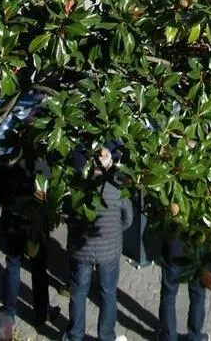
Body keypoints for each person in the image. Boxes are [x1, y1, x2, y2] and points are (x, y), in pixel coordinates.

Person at [64, 145, 133, 341]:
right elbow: (128, 218)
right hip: (109, 251)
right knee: (108, 294)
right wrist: (114, 233)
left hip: (81, 249)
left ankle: (75, 335)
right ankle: (106, 336)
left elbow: (67, 214)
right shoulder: (117, 186)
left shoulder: (76, 186)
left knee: (78, 293)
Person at [0, 151, 53, 329]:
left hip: (13, 222)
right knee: (39, 268)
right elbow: (48, 195)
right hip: (35, 224)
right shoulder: (43, 166)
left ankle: (9, 311)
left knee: (12, 264)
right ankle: (41, 313)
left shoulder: (7, 164)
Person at [157, 235, 209, 341]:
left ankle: (168, 337)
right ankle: (195, 337)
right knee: (198, 294)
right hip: (198, 247)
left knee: (169, 294)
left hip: (174, 245)